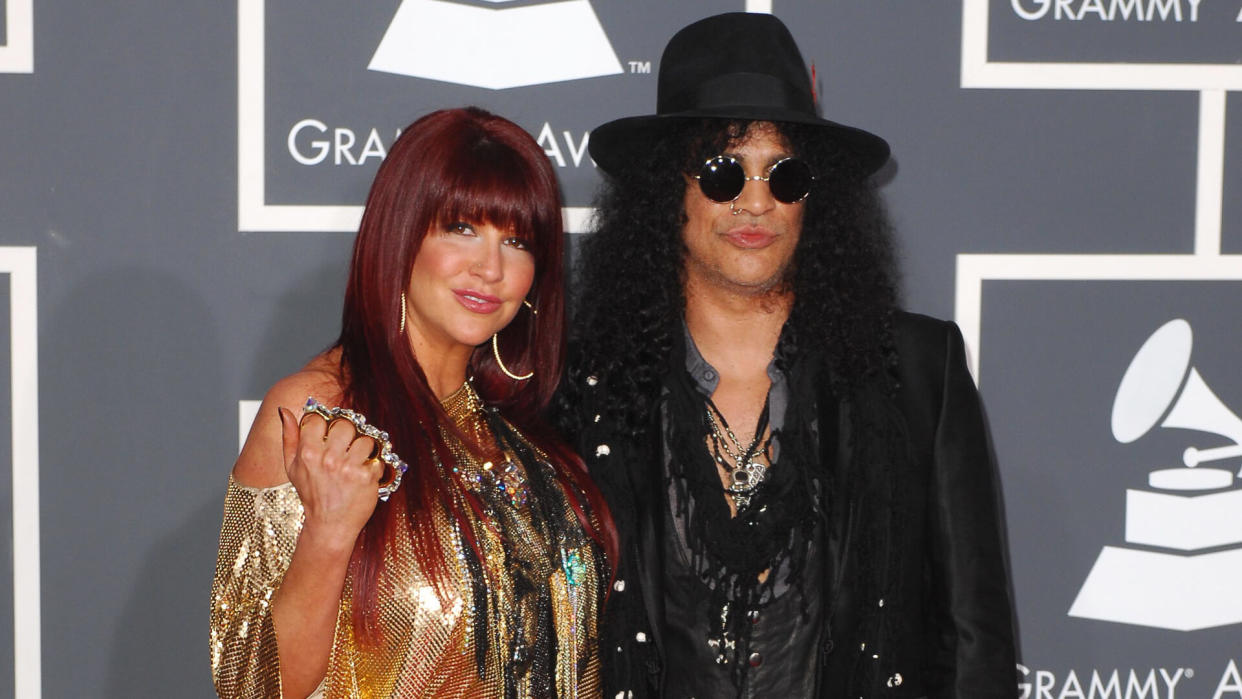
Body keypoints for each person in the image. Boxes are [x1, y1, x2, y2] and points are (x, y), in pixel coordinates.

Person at [555, 13, 1016, 698]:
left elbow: (974, 644)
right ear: (666, 190)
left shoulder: (918, 372)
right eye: (721, 173)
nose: (756, 201)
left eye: (785, 175)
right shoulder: (587, 383)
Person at [210, 107, 615, 699]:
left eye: (517, 241)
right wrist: (328, 530)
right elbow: (250, 688)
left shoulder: (530, 440)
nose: (491, 268)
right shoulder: (319, 413)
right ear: (402, 235)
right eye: (461, 228)